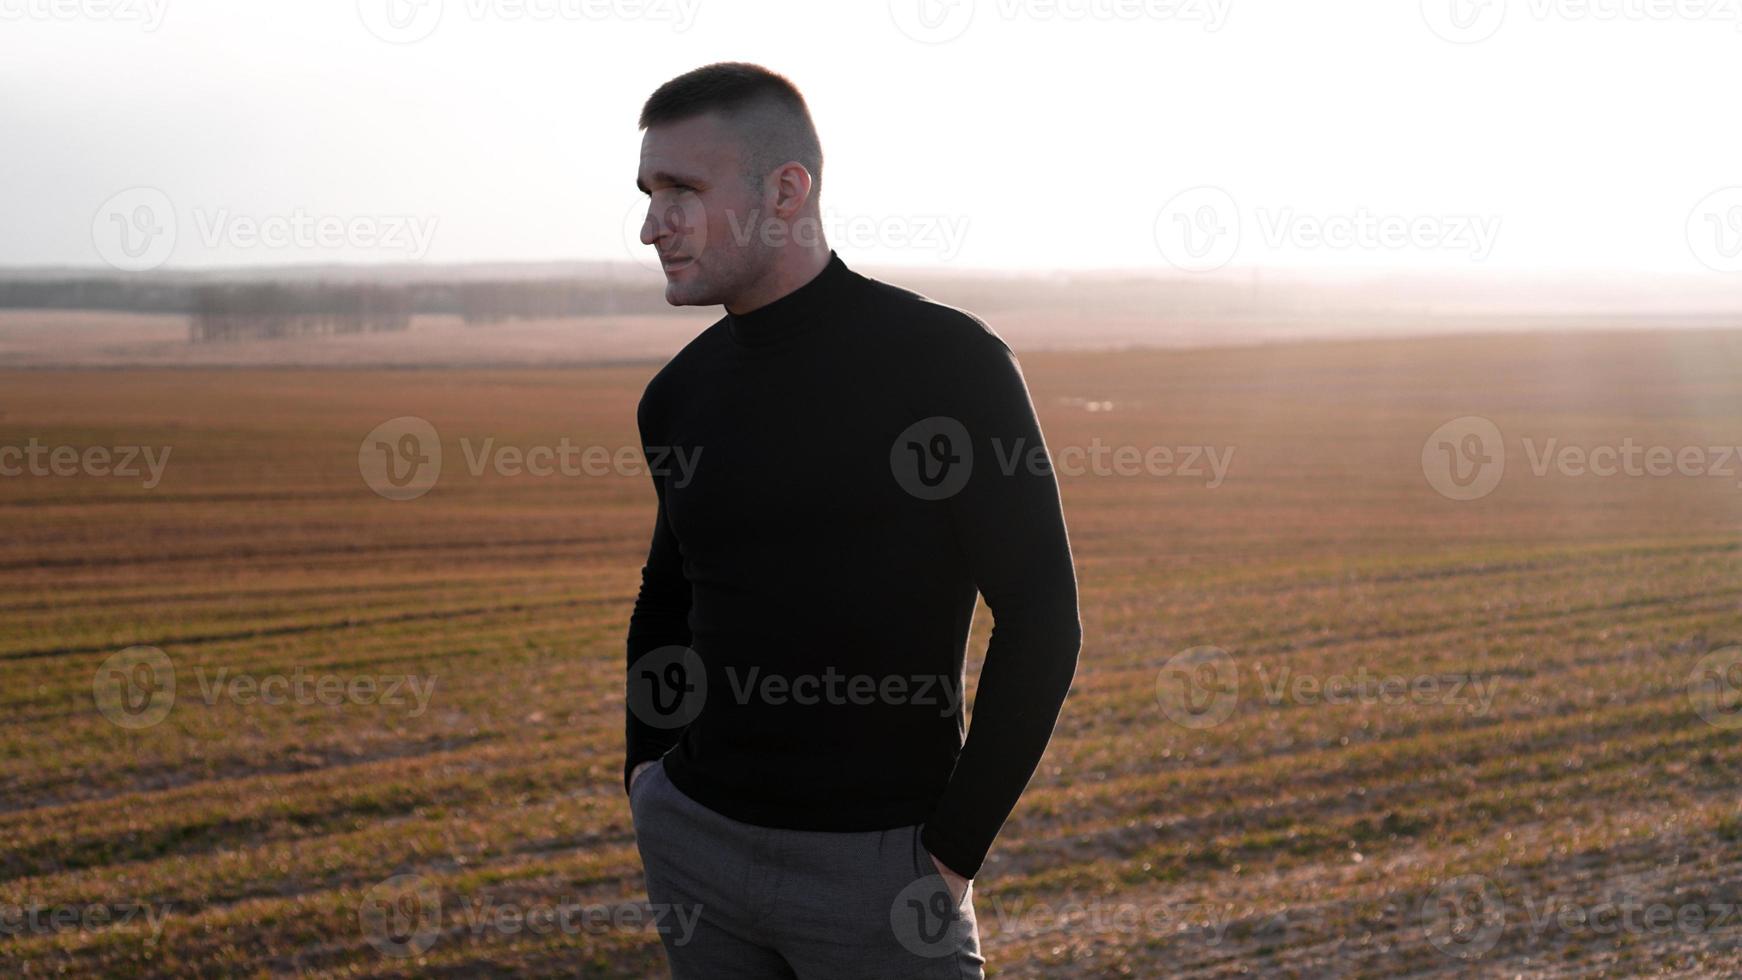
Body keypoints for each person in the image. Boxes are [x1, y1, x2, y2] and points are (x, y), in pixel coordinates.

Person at [623, 61, 1081, 979]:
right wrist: (647, 782)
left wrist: (948, 855)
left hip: (880, 874)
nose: (650, 226)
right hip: (697, 850)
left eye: (682, 189)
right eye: (647, 192)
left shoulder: (949, 365)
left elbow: (1041, 621)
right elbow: (666, 601)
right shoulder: (678, 395)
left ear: (786, 189)